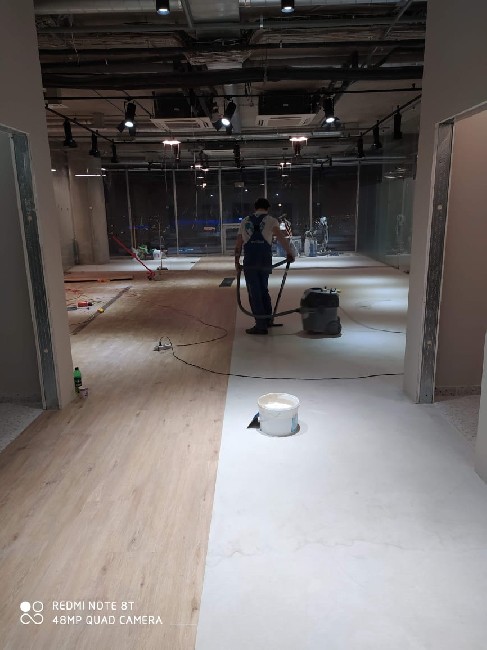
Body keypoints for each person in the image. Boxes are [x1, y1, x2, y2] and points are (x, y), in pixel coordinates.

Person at [234, 198, 295, 335]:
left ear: (255, 207)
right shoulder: (272, 220)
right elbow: (281, 237)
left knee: (254, 293)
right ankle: (267, 320)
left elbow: (238, 243)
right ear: (267, 208)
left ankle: (260, 325)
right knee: (263, 290)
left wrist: (236, 262)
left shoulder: (245, 221)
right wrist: (289, 253)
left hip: (250, 262)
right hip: (265, 261)